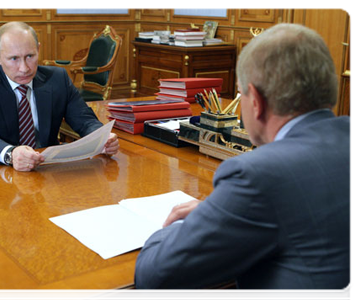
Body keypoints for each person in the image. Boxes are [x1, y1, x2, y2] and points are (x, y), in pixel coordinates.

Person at [135, 23, 353, 300]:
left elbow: (154, 276)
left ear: (256, 102)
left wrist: (189, 225)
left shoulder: (259, 175)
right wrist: (226, 212)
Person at [0, 22, 119, 172]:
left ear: (38, 49)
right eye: (14, 59)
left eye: (30, 56)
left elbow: (84, 119)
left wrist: (102, 138)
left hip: (47, 170)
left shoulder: (57, 78)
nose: (24, 68)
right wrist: (11, 154)